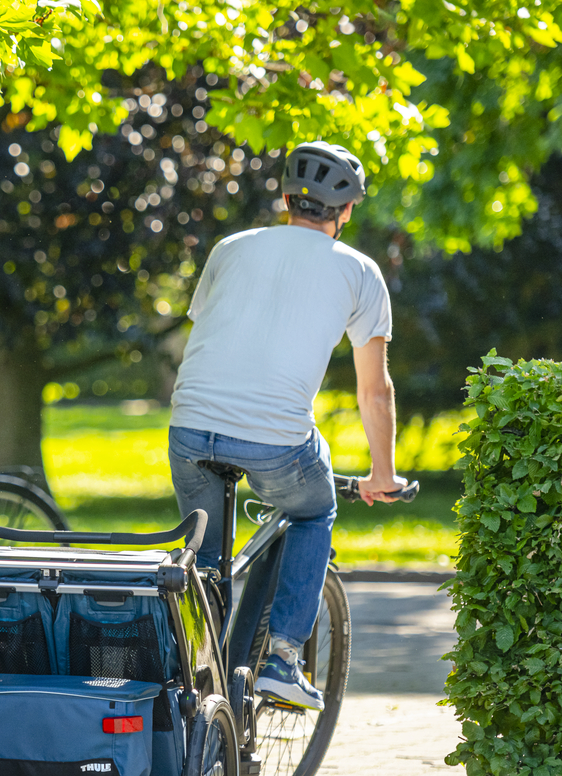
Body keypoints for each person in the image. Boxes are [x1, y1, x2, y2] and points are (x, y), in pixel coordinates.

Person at [167, 139, 407, 711]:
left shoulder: (231, 248)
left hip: (189, 430)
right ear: (346, 211)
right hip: (276, 443)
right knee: (313, 509)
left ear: (284, 197)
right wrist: (383, 473)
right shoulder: (360, 272)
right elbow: (374, 391)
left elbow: (217, 331)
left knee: (206, 561)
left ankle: (192, 680)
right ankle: (280, 659)